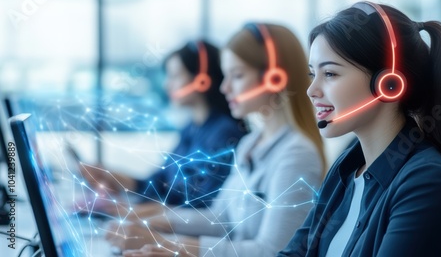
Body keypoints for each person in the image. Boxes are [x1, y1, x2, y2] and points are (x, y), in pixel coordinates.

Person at [277, 1, 441, 256]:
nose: (312, 91)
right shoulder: (347, 167)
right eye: (313, 74)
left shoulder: (426, 182)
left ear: (388, 84)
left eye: (330, 74)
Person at [107, 23, 327, 256]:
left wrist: (172, 247)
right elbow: (221, 217)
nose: (224, 87)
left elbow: (271, 251)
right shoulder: (250, 144)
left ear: (274, 77)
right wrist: (155, 223)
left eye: (238, 75)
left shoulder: (297, 154)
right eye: (226, 75)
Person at [80, 40, 248, 216]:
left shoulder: (224, 134)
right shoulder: (191, 128)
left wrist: (130, 212)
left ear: (201, 80)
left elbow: (200, 208)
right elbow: (156, 185)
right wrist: (110, 176)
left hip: (189, 236)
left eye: (175, 76)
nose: (167, 85)